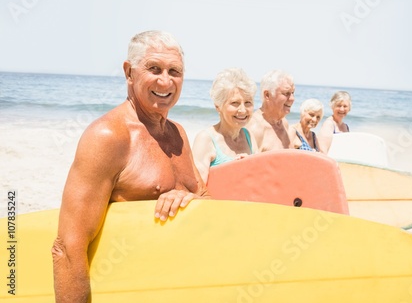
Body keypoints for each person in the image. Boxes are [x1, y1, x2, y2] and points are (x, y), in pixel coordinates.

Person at [51, 30, 209, 303]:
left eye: (175, 71)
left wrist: (190, 198)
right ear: (129, 73)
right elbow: (67, 248)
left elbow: (206, 199)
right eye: (154, 68)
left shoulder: (178, 134)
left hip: (175, 287)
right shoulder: (109, 137)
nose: (165, 80)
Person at [192, 68, 258, 182]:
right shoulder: (206, 139)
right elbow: (197, 189)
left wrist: (253, 167)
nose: (243, 110)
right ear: (218, 106)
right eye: (234, 103)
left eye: (248, 103)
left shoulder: (249, 136)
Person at [246, 69, 295, 152]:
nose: (292, 99)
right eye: (286, 93)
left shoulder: (284, 123)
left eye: (293, 93)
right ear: (267, 95)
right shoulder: (255, 128)